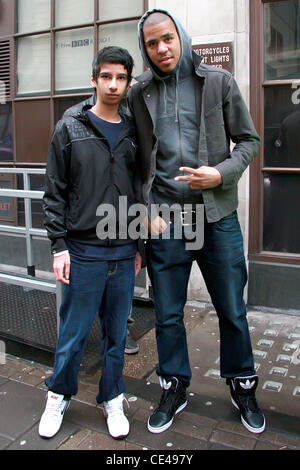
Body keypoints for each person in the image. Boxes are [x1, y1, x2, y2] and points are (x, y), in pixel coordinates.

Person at [128, 9, 265, 435]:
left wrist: (220, 173)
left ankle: (242, 385)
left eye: (167, 38)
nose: (162, 49)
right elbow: (136, 164)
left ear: (180, 36)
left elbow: (249, 141)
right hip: (166, 219)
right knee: (168, 313)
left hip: (216, 216)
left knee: (232, 309)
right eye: (152, 44)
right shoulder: (139, 93)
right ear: (145, 49)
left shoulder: (218, 82)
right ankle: (174, 386)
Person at [39, 46, 142, 440]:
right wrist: (59, 246)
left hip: (122, 251)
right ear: (94, 78)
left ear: (128, 82)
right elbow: (55, 191)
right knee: (73, 333)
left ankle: (112, 396)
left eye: (121, 78)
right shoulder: (70, 127)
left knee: (116, 335)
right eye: (106, 77)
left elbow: (138, 189)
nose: (113, 85)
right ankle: (58, 395)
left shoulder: (134, 131)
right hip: (82, 251)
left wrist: (138, 247)